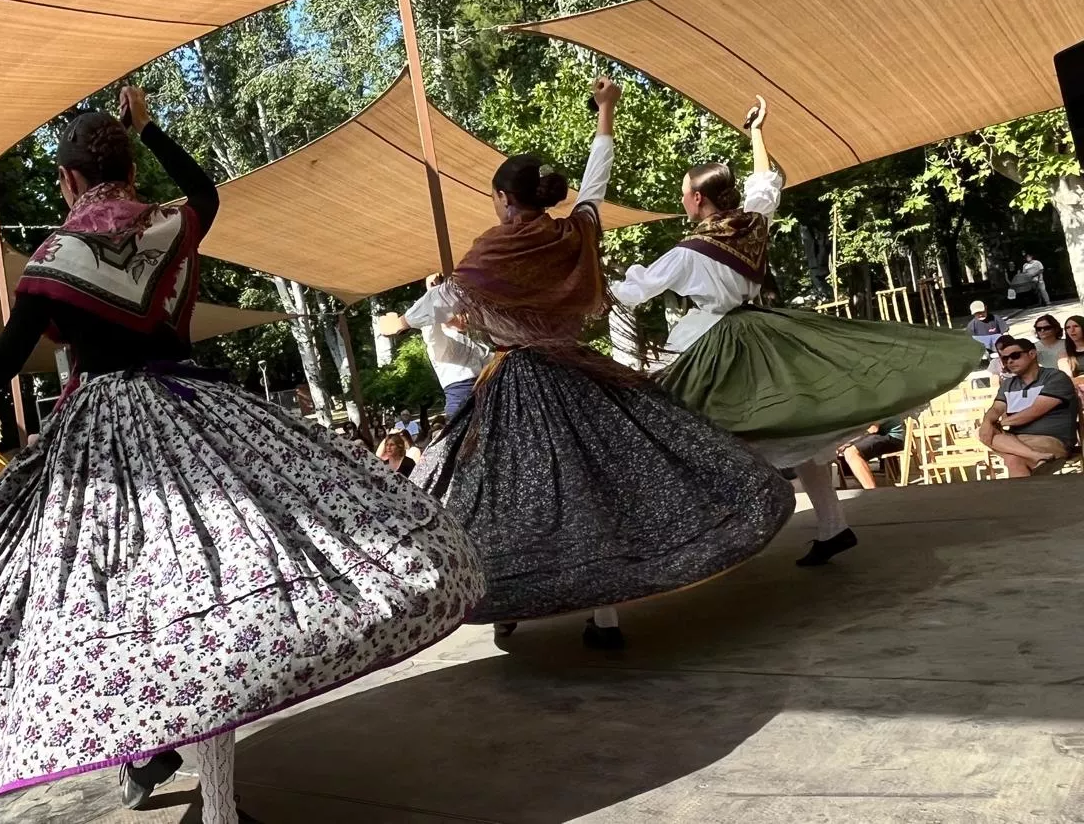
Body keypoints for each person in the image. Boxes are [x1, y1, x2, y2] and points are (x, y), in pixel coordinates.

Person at [0, 86, 482, 821]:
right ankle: (204, 791)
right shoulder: (171, 224)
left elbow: (5, 360)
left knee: (108, 601)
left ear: (67, 181)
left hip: (104, 442)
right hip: (198, 413)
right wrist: (151, 130)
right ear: (125, 166)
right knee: (213, 594)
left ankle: (147, 755)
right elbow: (204, 190)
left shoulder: (56, 258)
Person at [413, 77, 791, 651]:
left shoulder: (492, 251)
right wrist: (605, 114)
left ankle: (507, 604)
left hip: (517, 384)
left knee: (497, 489)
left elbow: (433, 308)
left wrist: (415, 311)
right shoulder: (574, 230)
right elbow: (596, 183)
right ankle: (605, 618)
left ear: (503, 200)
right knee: (597, 486)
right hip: (579, 374)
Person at [612, 96, 980, 567]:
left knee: (695, 433)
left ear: (698, 199)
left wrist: (589, 275)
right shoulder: (750, 223)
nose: (683, 199)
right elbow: (765, 185)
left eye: (685, 192)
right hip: (766, 332)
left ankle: (716, 536)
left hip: (716, 344)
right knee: (798, 424)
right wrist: (757, 135)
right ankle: (833, 526)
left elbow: (633, 292)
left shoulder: (688, 251)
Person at [377, 274, 492, 418]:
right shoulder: (439, 340)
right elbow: (431, 317)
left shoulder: (474, 343)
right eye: (461, 313)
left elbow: (492, 361)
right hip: (460, 399)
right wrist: (432, 290)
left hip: (485, 394)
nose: (466, 316)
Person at [979, 337, 1080, 476]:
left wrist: (1000, 423)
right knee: (980, 431)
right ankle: (1036, 457)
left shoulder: (1055, 377)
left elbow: (1034, 411)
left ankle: (1027, 491)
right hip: (1016, 439)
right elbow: (996, 408)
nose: (1010, 361)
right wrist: (987, 422)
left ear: (1032, 354)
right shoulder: (1008, 384)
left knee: (1013, 459)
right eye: (1005, 359)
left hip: (1051, 439)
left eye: (1015, 355)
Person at [837, 419, 905, 490]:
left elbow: (873, 428)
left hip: (893, 438)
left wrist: (848, 442)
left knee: (851, 452)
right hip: (881, 434)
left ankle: (872, 493)